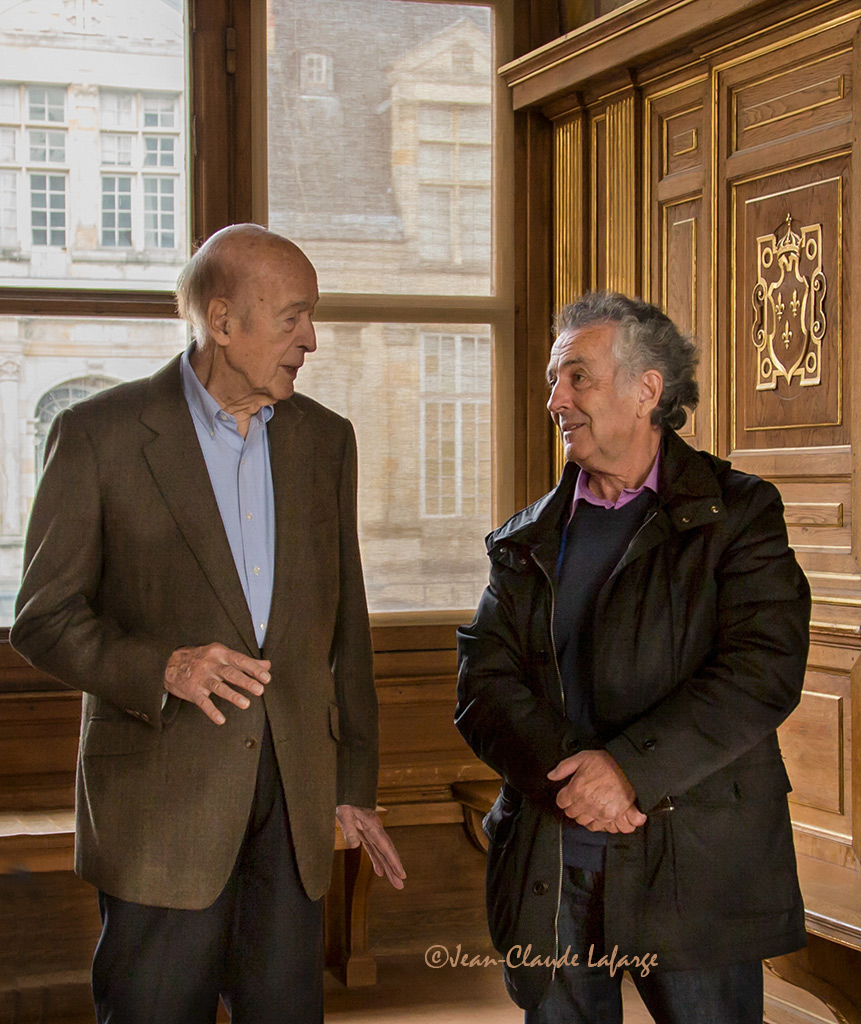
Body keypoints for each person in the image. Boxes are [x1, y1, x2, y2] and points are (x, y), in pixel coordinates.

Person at [11, 223, 405, 1024]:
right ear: (221, 322)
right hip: (160, 807)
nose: (312, 340)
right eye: (293, 318)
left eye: (312, 317)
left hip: (292, 806)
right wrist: (163, 667)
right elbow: (42, 618)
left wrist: (350, 780)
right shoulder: (99, 436)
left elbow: (345, 628)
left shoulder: (325, 441)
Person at [455, 292, 809, 1024]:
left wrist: (627, 772)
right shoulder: (524, 538)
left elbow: (761, 671)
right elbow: (481, 685)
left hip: (695, 867)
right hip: (553, 863)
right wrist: (576, 781)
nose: (555, 399)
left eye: (576, 377)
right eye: (555, 380)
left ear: (647, 388)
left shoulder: (738, 513)